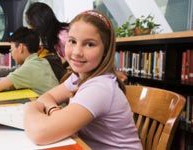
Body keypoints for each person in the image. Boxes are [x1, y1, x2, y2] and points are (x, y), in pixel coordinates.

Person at [24, 10, 142, 149]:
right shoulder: (78, 77)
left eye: (90, 44)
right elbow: (46, 97)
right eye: (72, 41)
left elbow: (40, 134)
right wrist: (53, 110)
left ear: (105, 50)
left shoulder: (99, 88)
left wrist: (31, 107)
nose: (76, 52)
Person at [0, 26, 59, 94]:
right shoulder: (42, 61)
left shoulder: (29, 67)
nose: (11, 54)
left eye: (11, 49)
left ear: (20, 47)